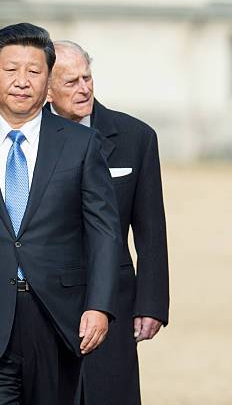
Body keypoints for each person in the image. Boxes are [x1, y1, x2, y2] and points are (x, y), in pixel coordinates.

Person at [0, 23, 122, 404]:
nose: (21, 81)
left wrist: (99, 305)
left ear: (48, 79)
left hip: (58, 319)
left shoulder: (82, 144)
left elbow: (104, 232)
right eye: (10, 69)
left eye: (34, 72)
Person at [46, 40, 169, 405]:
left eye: (87, 77)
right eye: (71, 82)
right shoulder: (25, 139)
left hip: (114, 300)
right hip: (46, 299)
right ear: (47, 90)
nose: (84, 88)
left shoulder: (136, 138)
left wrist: (151, 303)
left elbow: (151, 232)